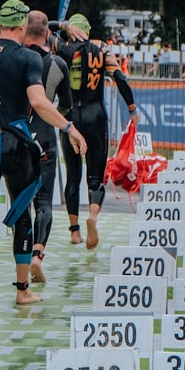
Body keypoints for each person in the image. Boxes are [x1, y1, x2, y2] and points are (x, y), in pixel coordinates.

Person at [0, 0, 86, 308]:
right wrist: (69, 128)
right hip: (16, 143)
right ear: (23, 25)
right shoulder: (29, 57)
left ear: (0, 24)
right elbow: (38, 102)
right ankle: (22, 290)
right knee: (22, 214)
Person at [58, 13, 136, 249]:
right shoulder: (101, 47)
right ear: (88, 30)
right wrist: (131, 108)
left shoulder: (62, 46)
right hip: (96, 115)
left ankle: (74, 231)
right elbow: (119, 77)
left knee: (73, 175)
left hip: (69, 116)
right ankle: (92, 216)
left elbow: (41, 27)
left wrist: (61, 25)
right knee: (95, 177)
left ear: (71, 30)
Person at [24, 10, 72, 282]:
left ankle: (20, 266)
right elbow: (66, 105)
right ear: (47, 34)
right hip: (44, 135)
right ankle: (37, 254)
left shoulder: (15, 57)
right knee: (44, 202)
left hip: (18, 134)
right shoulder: (57, 63)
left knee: (21, 203)